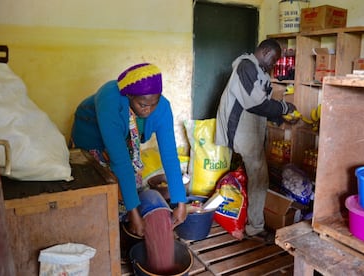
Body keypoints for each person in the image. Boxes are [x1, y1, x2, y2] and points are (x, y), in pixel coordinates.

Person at [71, 63, 187, 238]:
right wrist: (135, 215)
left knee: (131, 182)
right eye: (142, 104)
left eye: (153, 104)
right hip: (91, 140)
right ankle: (110, 227)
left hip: (124, 138)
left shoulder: (162, 108)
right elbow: (121, 161)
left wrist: (181, 202)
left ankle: (126, 215)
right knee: (102, 189)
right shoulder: (110, 100)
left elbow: (170, 157)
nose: (148, 110)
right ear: (129, 96)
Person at [215, 38, 296, 242]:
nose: (274, 64)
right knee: (259, 176)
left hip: (250, 130)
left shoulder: (258, 70)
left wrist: (278, 117)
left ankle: (249, 220)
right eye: (274, 59)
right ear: (266, 51)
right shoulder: (246, 66)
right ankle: (255, 228)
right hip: (241, 129)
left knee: (255, 175)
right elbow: (256, 103)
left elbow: (262, 102)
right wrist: (285, 108)